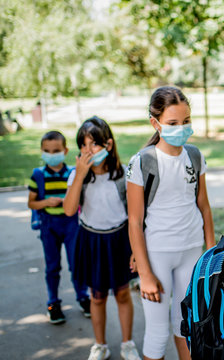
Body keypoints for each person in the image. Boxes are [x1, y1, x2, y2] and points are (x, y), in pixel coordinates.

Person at [126, 86, 215, 360]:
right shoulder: (142, 162)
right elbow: (135, 219)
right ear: (156, 123)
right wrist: (145, 273)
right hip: (157, 255)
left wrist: (211, 251)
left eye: (186, 121)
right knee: (156, 332)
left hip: (191, 251)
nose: (182, 128)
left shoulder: (195, 156)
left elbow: (203, 205)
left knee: (186, 326)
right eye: (173, 123)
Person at [63, 117, 140, 360]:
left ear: (107, 144)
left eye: (93, 144)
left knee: (122, 294)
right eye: (83, 145)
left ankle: (128, 343)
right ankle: (100, 345)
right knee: (96, 297)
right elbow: (68, 209)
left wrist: (135, 250)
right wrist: (79, 175)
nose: (88, 151)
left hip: (119, 240)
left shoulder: (122, 175)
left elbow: (134, 215)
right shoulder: (78, 176)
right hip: (92, 240)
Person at [27, 130, 90, 324]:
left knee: (76, 263)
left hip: (71, 224)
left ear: (65, 150)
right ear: (41, 151)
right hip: (49, 226)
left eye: (56, 150)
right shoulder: (38, 175)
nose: (51, 154)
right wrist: (46, 202)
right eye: (47, 150)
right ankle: (53, 303)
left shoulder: (72, 173)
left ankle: (83, 297)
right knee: (52, 266)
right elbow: (31, 203)